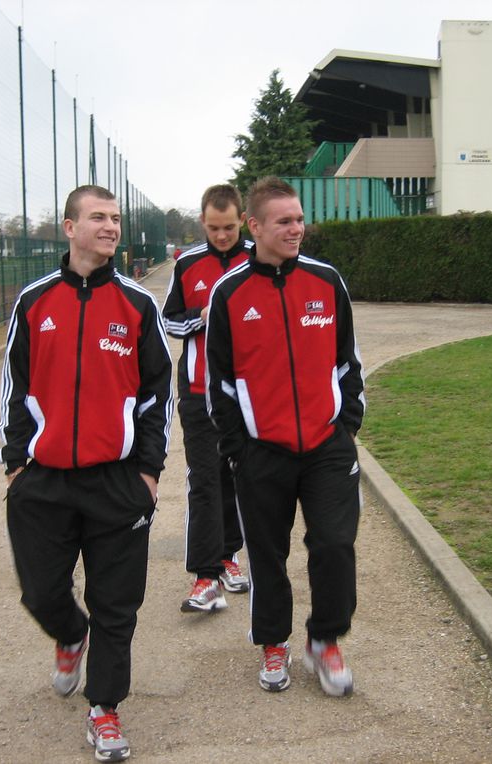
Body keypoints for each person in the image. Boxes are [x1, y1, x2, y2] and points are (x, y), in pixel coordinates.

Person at [0, 184, 173, 762]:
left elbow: (156, 395)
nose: (110, 226)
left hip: (117, 482)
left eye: (116, 218)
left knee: (117, 605)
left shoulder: (136, 305)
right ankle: (70, 634)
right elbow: (15, 388)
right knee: (41, 591)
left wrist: (148, 473)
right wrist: (17, 462)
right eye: (98, 217)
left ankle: (105, 709)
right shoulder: (34, 302)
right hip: (44, 482)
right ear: (68, 227)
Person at [204, 176, 365, 696]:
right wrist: (239, 449)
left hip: (326, 446)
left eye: (299, 219)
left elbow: (348, 360)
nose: (297, 229)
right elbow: (219, 383)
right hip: (261, 452)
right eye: (285, 221)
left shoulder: (325, 281)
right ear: (255, 226)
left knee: (336, 544)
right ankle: (274, 642)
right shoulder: (229, 294)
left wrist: (347, 423)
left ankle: (326, 639)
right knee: (268, 554)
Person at [162, 184, 252, 612]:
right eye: (214, 228)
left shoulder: (257, 259)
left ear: (243, 219)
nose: (221, 236)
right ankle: (204, 576)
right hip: (198, 392)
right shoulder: (187, 264)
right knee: (203, 480)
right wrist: (199, 320)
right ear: (202, 221)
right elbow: (169, 322)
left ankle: (230, 556)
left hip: (246, 396)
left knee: (237, 478)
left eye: (229, 227)